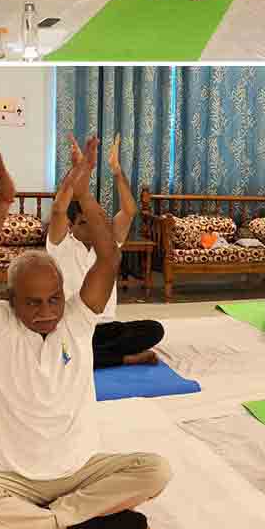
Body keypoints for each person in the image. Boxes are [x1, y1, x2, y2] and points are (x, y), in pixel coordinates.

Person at [0, 138, 172, 529]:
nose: (47, 311)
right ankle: (80, 522)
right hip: (11, 479)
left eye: (53, 299)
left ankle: (46, 524)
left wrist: (84, 193)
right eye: (32, 302)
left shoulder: (78, 323)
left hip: (78, 471)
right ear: (10, 300)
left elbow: (107, 261)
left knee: (156, 470)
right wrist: (3, 200)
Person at [47, 134, 163, 367]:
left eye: (94, 222)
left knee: (154, 330)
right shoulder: (59, 244)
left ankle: (94, 356)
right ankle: (123, 359)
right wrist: (78, 169)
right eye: (84, 222)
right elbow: (60, 207)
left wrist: (118, 172)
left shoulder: (108, 242)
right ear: (71, 225)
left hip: (106, 327)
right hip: (73, 325)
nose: (92, 227)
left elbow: (129, 211)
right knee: (55, 348)